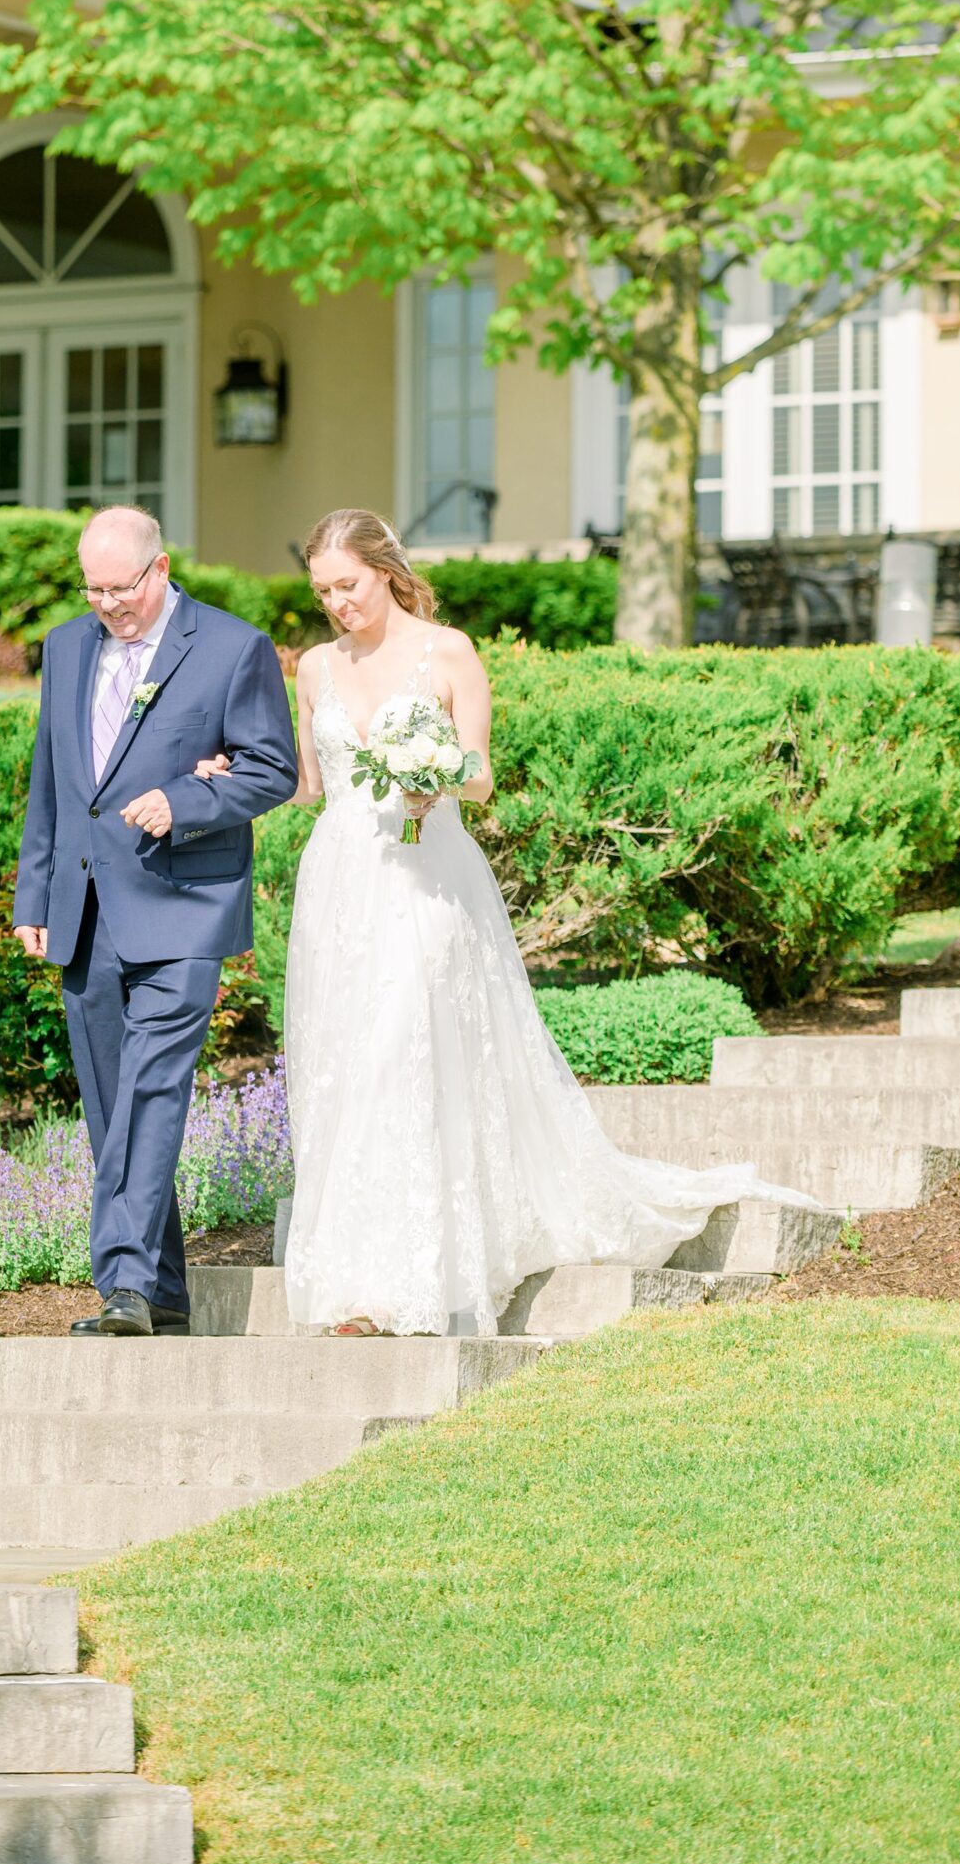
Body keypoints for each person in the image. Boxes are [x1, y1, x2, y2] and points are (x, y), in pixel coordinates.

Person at [215, 507, 817, 1338]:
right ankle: (356, 1280)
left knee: (406, 1046)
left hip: (426, 873)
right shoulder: (315, 667)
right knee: (346, 1066)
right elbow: (310, 787)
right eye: (322, 591)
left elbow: (483, 773)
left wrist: (439, 775)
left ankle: (409, 1280)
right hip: (340, 884)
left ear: (384, 571)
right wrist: (225, 774)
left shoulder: (446, 651)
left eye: (347, 585)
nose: (336, 604)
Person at [13, 505, 298, 1337]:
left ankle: (123, 1284)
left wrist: (185, 799)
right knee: (110, 1104)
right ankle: (164, 1291)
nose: (107, 604)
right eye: (92, 588)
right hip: (84, 908)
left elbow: (271, 770)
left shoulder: (231, 648)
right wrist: (35, 894)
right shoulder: (67, 646)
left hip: (183, 904)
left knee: (150, 1087)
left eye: (122, 587)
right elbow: (52, 778)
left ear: (161, 569)